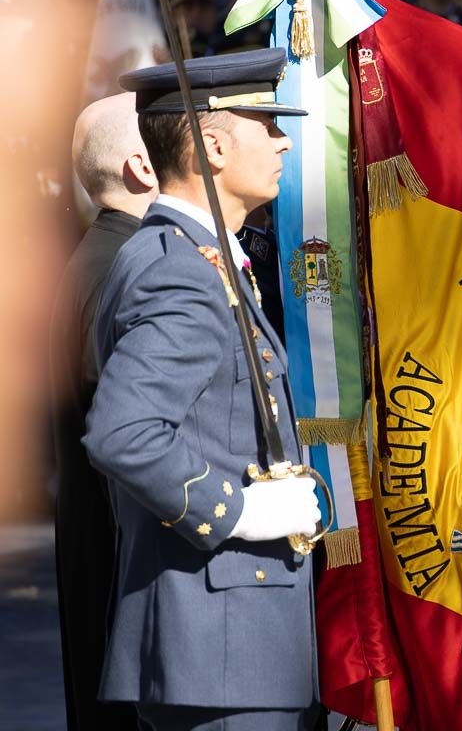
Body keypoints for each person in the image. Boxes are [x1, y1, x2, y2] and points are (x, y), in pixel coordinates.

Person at [83, 48, 322, 731]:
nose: (282, 140)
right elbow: (123, 433)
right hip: (219, 643)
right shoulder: (181, 270)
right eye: (267, 124)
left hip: (235, 640)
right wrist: (238, 512)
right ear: (213, 145)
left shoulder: (202, 256)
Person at [51, 92, 156, 731]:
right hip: (120, 559)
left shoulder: (104, 255)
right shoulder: (130, 266)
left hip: (99, 546)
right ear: (143, 165)